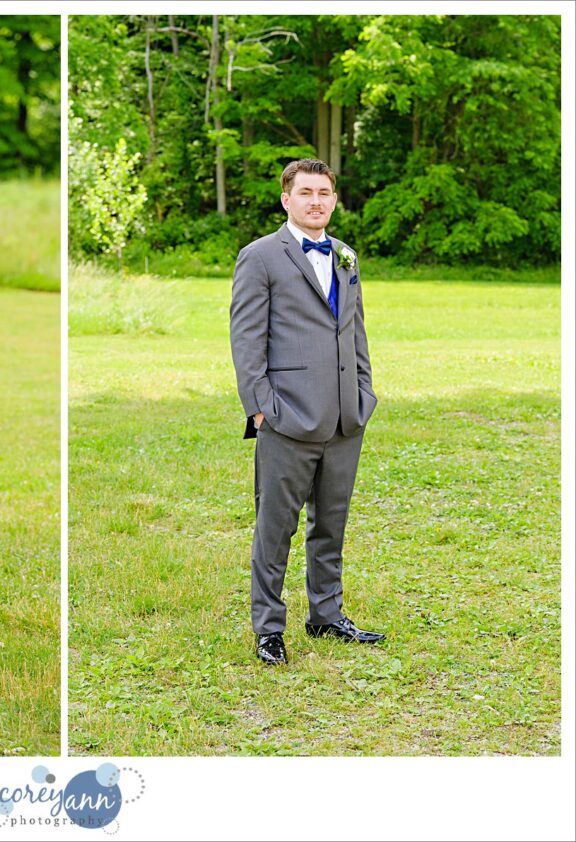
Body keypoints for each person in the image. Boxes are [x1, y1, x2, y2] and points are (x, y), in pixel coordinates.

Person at [229, 158, 384, 666]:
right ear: (286, 199)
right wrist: (260, 409)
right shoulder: (260, 257)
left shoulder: (345, 256)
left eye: (325, 193)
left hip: (345, 418)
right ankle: (269, 628)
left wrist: (363, 392)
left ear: (334, 200)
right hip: (286, 417)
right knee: (275, 528)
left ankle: (326, 614)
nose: (316, 201)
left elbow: (355, 331)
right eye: (306, 192)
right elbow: (247, 339)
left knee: (330, 526)